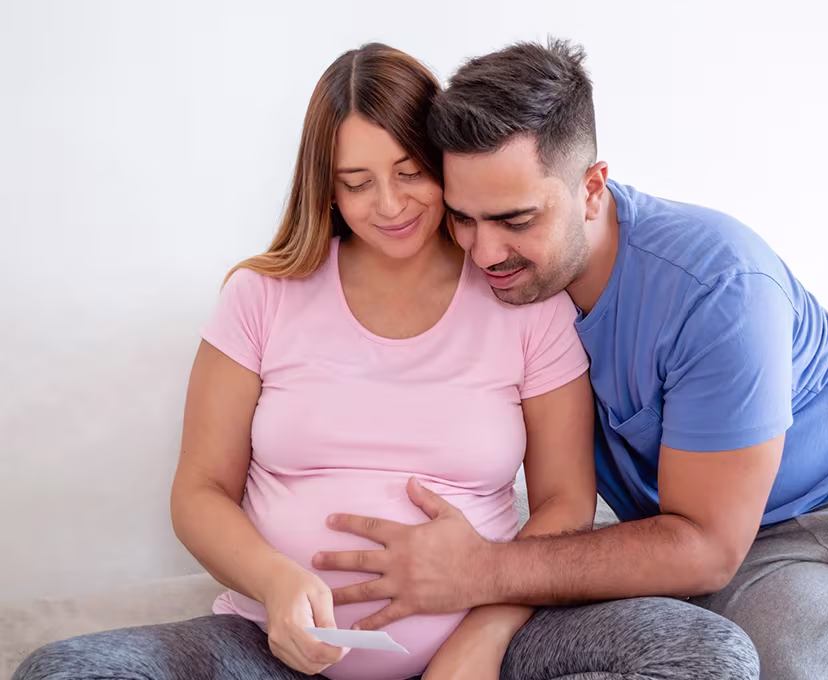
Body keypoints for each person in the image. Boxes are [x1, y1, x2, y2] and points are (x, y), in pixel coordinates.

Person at [13, 43, 761, 680]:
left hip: (485, 650)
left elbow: (565, 500)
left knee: (708, 654)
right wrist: (276, 585)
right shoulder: (259, 297)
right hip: (277, 650)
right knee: (63, 669)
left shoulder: (522, 299)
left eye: (409, 172)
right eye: (356, 182)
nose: (390, 205)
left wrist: (484, 629)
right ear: (326, 186)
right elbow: (200, 491)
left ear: (444, 165)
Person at [314, 39, 828, 680]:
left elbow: (703, 546)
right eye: (464, 219)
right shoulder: (496, 293)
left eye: (516, 220)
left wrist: (479, 572)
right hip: (752, 545)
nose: (484, 253)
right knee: (792, 660)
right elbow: (706, 549)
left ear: (592, 189)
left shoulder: (717, 285)